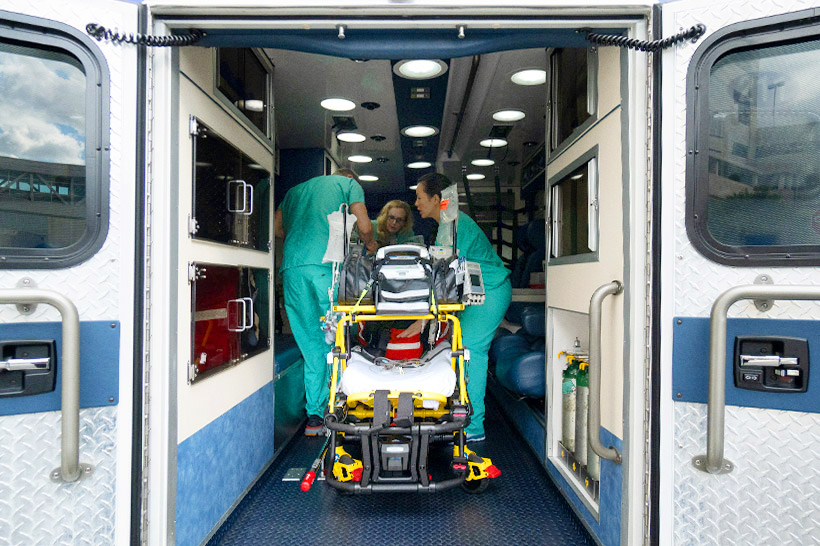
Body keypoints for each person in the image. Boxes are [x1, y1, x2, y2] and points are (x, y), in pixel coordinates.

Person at [403, 172, 511, 442]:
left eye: (419, 197)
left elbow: (444, 279)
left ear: (436, 199)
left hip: (490, 291)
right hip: (473, 293)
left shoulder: (455, 225)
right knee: (458, 351)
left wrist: (424, 318)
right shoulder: (445, 225)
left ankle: (473, 426)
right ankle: (460, 413)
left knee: (470, 352)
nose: (416, 203)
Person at [275, 168, 374, 435]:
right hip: (326, 268)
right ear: (350, 178)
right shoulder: (349, 185)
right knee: (337, 339)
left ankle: (315, 418)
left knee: (311, 345)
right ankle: (338, 409)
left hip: (293, 269)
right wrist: (371, 243)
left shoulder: (294, 192)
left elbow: (276, 228)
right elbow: (365, 226)